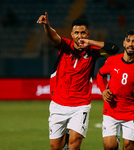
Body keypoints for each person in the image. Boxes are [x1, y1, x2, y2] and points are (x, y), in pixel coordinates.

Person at [37, 12, 119, 150]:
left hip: (80, 105)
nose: (79, 36)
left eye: (82, 33)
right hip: (58, 103)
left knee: (74, 145)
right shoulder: (64, 46)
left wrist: (90, 42)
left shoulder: (93, 51)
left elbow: (114, 49)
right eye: (76, 33)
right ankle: (66, 140)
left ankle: (71, 141)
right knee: (55, 147)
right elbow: (53, 37)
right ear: (71, 34)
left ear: (87, 34)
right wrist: (47, 26)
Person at [97, 30, 134, 150]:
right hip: (111, 110)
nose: (130, 44)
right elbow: (100, 74)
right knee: (109, 146)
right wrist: (103, 90)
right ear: (124, 43)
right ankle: (116, 143)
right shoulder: (112, 61)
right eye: (128, 41)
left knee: (128, 147)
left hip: (131, 112)